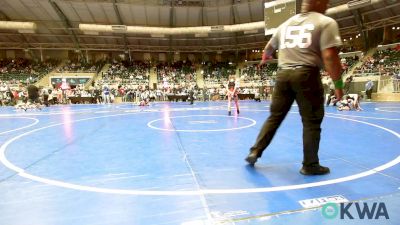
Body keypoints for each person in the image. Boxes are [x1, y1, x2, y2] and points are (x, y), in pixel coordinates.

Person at [246, 0, 344, 175]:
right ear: (318, 2)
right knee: (311, 122)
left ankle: (255, 150)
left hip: (283, 75)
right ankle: (310, 164)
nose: (327, 5)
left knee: (274, 117)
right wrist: (338, 84)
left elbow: (268, 49)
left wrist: (265, 59)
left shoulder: (285, 25)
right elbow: (329, 56)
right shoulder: (325, 22)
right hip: (306, 74)